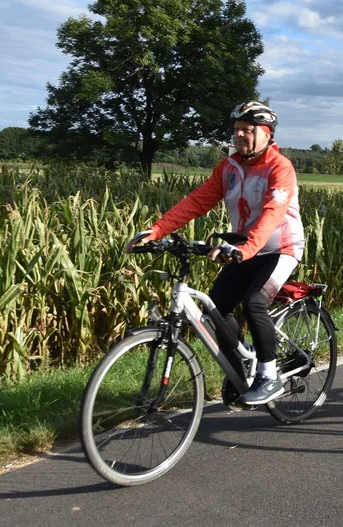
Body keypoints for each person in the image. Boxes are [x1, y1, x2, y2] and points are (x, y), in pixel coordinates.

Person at [126, 101, 305, 405]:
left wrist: (246, 248)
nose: (239, 136)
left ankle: (268, 375)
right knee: (216, 310)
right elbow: (197, 202)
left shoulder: (280, 167)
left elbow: (273, 213)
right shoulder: (229, 167)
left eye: (248, 130)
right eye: (236, 130)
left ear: (266, 134)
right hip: (243, 248)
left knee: (254, 303)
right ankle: (241, 368)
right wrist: (157, 231)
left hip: (279, 249)